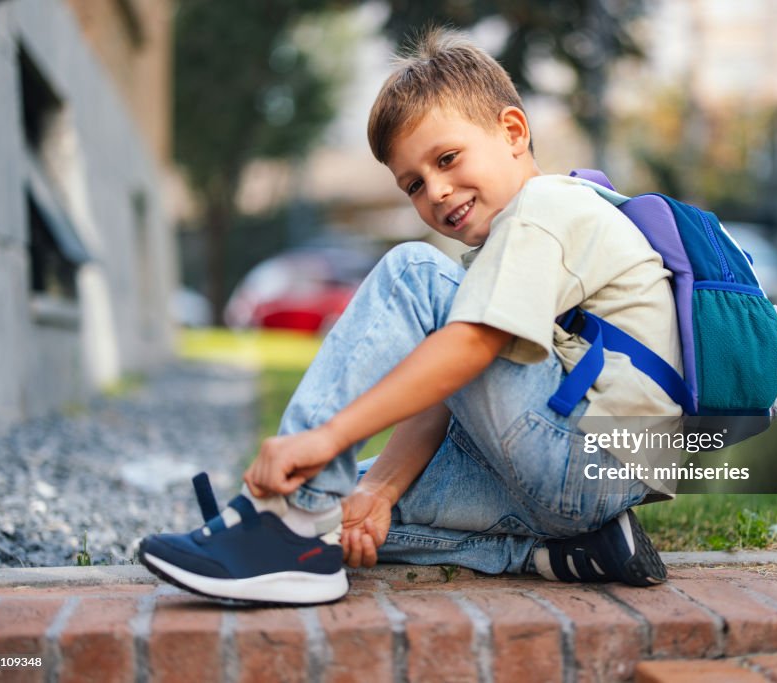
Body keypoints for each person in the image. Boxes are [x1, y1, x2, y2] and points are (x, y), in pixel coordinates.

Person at [139, 28, 681, 605]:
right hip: (587, 482)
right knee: (350, 506)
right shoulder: (518, 238)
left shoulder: (545, 209)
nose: (437, 191)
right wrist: (379, 489)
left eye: (447, 159)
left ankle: (285, 525)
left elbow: (469, 348)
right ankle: (573, 552)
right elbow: (452, 384)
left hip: (584, 459)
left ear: (513, 131)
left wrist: (325, 439)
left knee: (412, 271)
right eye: (414, 185)